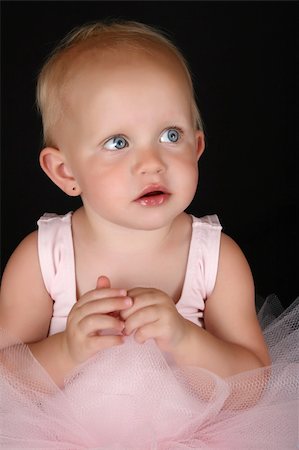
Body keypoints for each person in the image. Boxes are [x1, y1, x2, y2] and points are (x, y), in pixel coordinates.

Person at [0, 20, 297, 449]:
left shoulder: (215, 256)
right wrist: (67, 350)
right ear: (66, 172)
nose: (152, 163)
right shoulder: (44, 257)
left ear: (197, 147)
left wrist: (184, 338)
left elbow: (253, 386)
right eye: (118, 142)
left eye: (170, 135)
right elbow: (6, 377)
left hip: (199, 438)